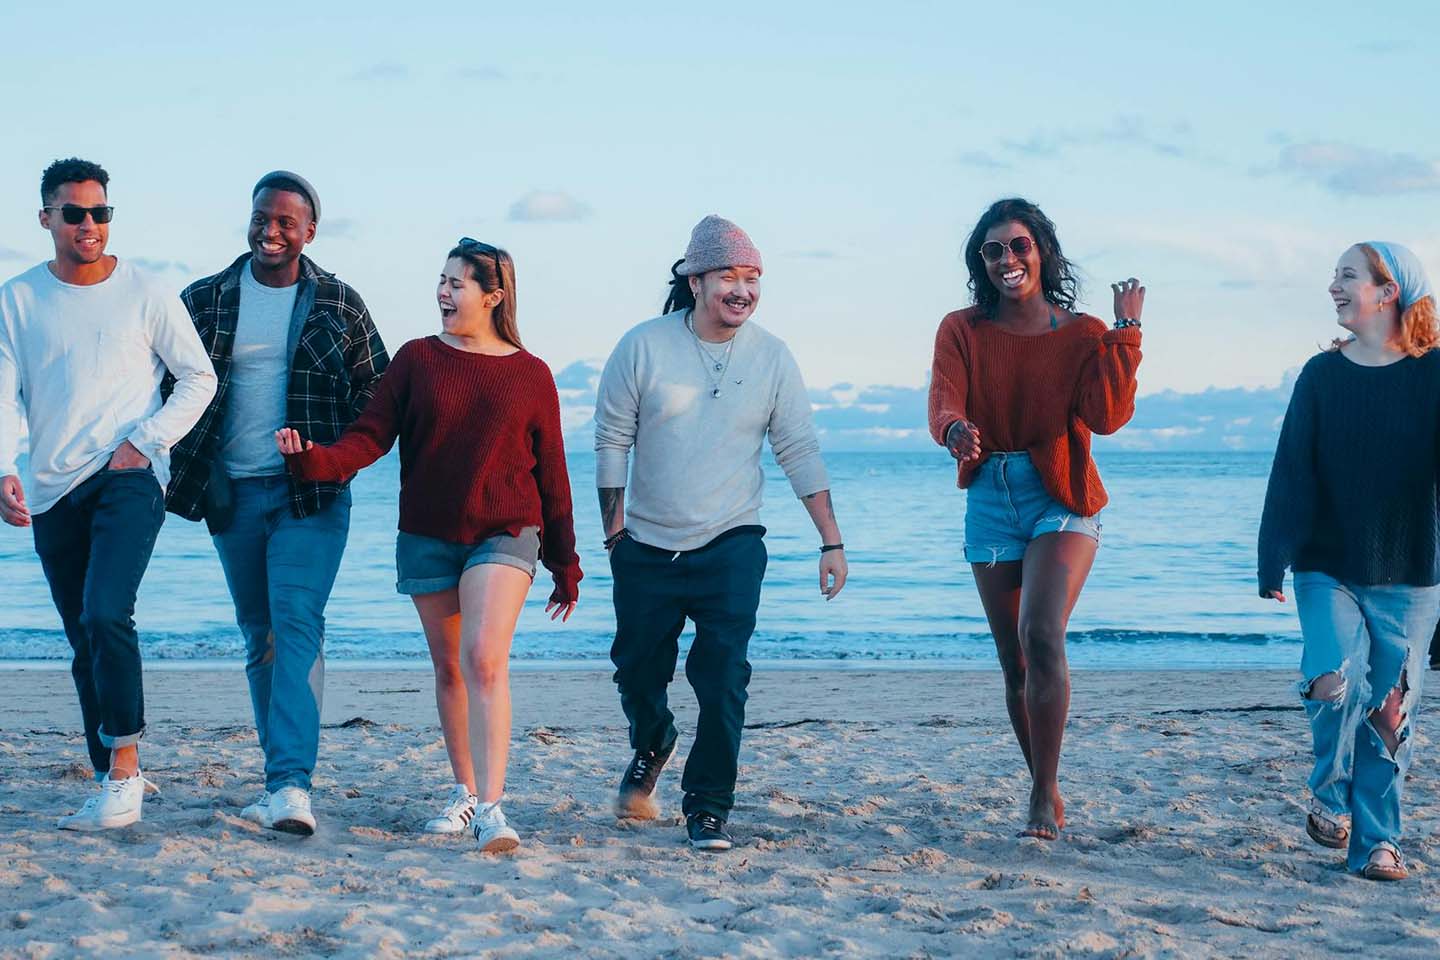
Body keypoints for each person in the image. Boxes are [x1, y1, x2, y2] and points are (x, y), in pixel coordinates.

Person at [276, 239, 581, 853]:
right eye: (440, 281)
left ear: (493, 297)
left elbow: (552, 470)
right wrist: (314, 460)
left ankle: (494, 808)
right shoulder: (416, 359)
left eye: (457, 284)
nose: (443, 292)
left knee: (484, 660)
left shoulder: (531, 373)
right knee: (449, 669)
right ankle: (465, 794)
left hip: (506, 529)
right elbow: (369, 438)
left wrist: (564, 562)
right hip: (427, 535)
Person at [594, 215, 848, 851]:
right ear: (696, 279)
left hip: (733, 540)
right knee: (636, 670)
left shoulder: (772, 356)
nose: (743, 289)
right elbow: (611, 439)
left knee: (723, 675)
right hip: (646, 545)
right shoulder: (643, 346)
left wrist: (831, 541)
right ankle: (653, 741)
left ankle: (708, 806)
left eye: (753, 277)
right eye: (730, 276)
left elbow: (798, 448)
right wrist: (615, 534)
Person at [164, 171, 389, 836]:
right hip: (230, 494)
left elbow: (377, 396)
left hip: (310, 494)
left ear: (309, 231)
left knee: (296, 625)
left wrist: (326, 449)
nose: (270, 230)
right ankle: (278, 778)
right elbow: (159, 382)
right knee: (259, 638)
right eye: (262, 217)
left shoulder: (339, 303)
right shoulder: (203, 300)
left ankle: (290, 786)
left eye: (286, 222)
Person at [0, 157, 216, 829]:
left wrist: (146, 440)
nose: (89, 224)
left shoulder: (146, 291)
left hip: (128, 477)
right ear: (47, 219)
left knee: (104, 614)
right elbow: (5, 395)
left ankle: (125, 769)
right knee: (80, 637)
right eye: (74, 212)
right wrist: (5, 465)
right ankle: (108, 778)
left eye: (100, 212)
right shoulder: (18, 298)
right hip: (53, 487)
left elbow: (198, 378)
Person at [927, 197, 1143, 841]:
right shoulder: (961, 329)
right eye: (993, 250)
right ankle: (1042, 781)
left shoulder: (1082, 333)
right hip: (991, 495)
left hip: (1062, 495)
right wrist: (956, 430)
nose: (1007, 259)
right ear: (981, 263)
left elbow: (1106, 417)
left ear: (1041, 251)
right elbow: (945, 399)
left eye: (1019, 245)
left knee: (1041, 632)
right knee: (1014, 662)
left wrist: (1125, 335)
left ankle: (1043, 796)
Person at [1259, 241, 1440, 882]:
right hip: (1326, 564)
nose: (1333, 286)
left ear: (1389, 292)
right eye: (1333, 275)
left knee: (1392, 711)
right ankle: (1329, 793)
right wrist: (1272, 556)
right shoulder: (1321, 376)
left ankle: (1377, 844)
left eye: (1347, 276)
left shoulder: (1434, 373)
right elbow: (1291, 470)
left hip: (1413, 571)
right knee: (1332, 679)